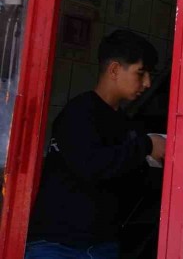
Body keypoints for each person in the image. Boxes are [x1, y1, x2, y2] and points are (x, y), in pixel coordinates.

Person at [25, 29, 167, 259]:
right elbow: (90, 164)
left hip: (102, 245)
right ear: (113, 69)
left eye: (150, 74)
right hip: (57, 245)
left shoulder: (124, 123)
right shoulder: (78, 113)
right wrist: (146, 147)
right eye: (140, 73)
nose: (148, 83)